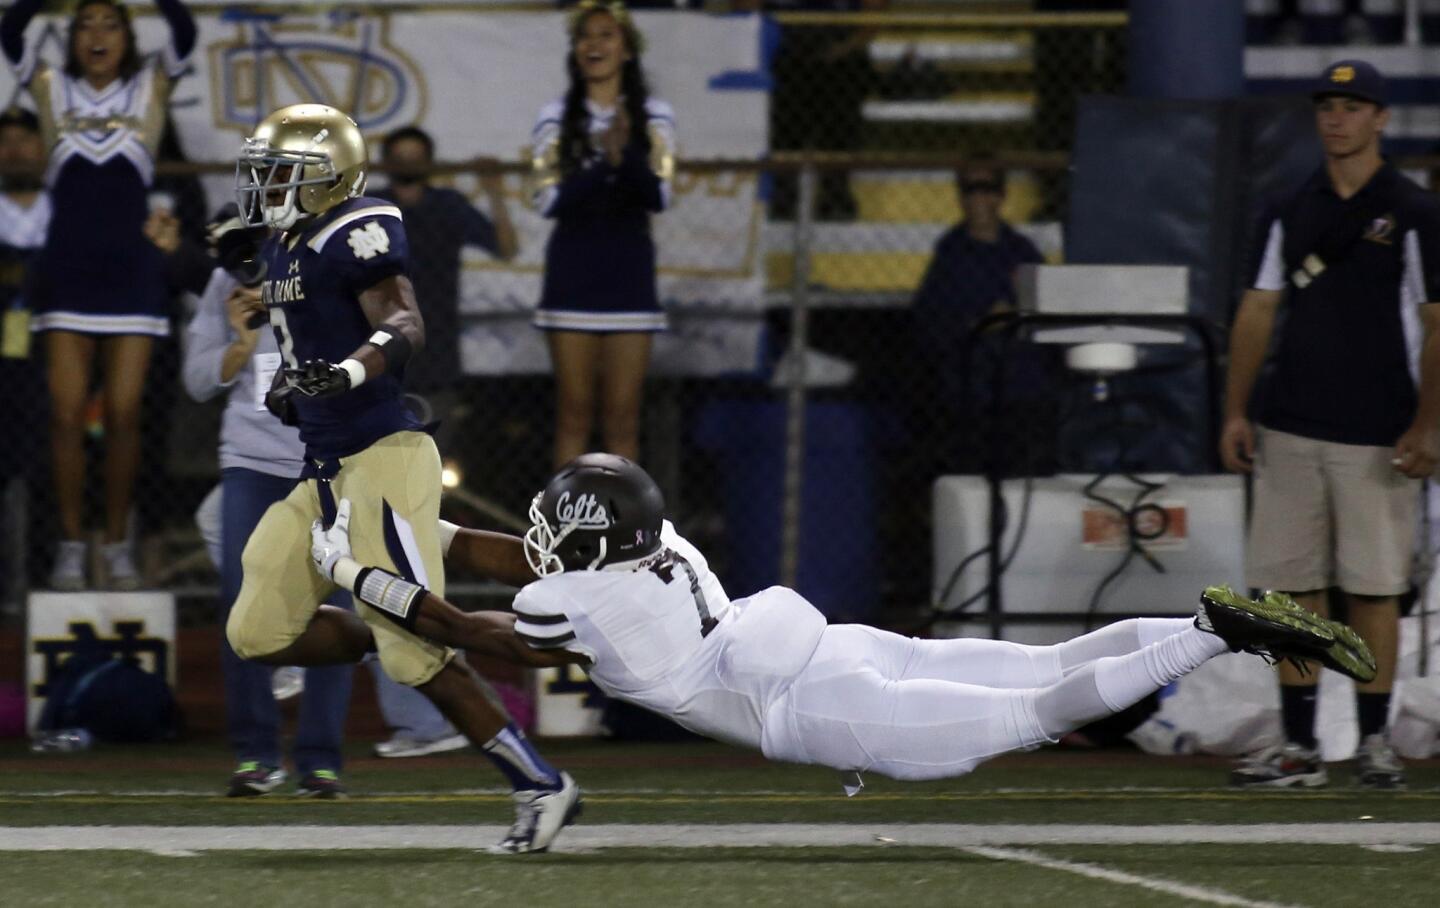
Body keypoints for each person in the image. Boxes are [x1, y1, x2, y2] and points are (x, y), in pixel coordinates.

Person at [308, 453, 1377, 786]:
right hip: (830, 640)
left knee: (1044, 709)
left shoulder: (576, 594)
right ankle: (1204, 613)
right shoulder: (650, 540)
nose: (540, 537)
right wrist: (414, 522)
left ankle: (1216, 633)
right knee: (1044, 667)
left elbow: (466, 625)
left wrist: (359, 572)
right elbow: (516, 557)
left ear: (589, 543)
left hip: (807, 698)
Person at [230, 102, 579, 852]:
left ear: (330, 178)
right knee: (256, 630)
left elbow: (405, 322)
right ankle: (399, 595)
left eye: (283, 173)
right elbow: (300, 330)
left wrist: (349, 370)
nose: (267, 187)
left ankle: (540, 784)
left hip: (382, 452)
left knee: (417, 655)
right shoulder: (286, 243)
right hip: (324, 472)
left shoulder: (358, 227)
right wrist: (295, 387)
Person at [1219, 60, 1440, 789]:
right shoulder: (1288, 206)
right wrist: (1237, 410)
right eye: (1327, 105)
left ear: (1380, 118)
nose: (1336, 118)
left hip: (1379, 429)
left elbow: (1436, 323)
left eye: (1352, 106)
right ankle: (1299, 743)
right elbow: (1257, 309)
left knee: (1374, 588)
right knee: (1290, 590)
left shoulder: (1413, 211)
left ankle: (1375, 741)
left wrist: (1428, 424)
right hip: (1291, 424)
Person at [0, 0, 196, 590]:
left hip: (133, 275)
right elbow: (9, 26)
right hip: (67, 272)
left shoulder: (151, 87)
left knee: (124, 415)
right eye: (85, 24)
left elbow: (184, 27)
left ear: (128, 37)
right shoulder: (49, 86)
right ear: (73, 38)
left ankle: (115, 545)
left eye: (111, 23)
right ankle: (67, 546)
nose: (97, 34)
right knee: (63, 419)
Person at [181, 211, 356, 798]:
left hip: (329, 457)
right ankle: (256, 755)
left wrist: (291, 306)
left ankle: (320, 760)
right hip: (251, 463)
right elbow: (197, 380)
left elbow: (376, 349)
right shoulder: (228, 277)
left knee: (335, 604)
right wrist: (241, 340)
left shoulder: (338, 259)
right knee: (240, 603)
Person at [368, 124, 519, 758]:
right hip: (378, 374)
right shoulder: (370, 213)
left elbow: (507, 247)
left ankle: (435, 681)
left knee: (404, 527)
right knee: (395, 526)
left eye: (416, 157)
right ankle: (434, 682)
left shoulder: (450, 208)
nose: (407, 165)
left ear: (430, 163)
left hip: (434, 374)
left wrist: (494, 191)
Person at [530, 0, 676, 467]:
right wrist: (601, 163)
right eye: (585, 37)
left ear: (628, 49)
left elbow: (661, 196)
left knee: (622, 419)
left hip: (630, 279)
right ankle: (558, 530)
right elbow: (548, 200)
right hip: (572, 277)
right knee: (573, 415)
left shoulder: (655, 116)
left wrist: (625, 157)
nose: (594, 45)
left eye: (607, 35)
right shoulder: (555, 117)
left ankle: (629, 535)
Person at [912, 158, 1052, 474]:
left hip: (1023, 386)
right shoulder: (950, 254)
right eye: (970, 189)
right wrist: (980, 324)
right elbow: (930, 324)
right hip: (973, 391)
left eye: (987, 188)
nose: (979, 198)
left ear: (1001, 195)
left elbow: (1047, 309)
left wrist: (1014, 317)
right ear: (959, 196)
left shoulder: (1022, 250)